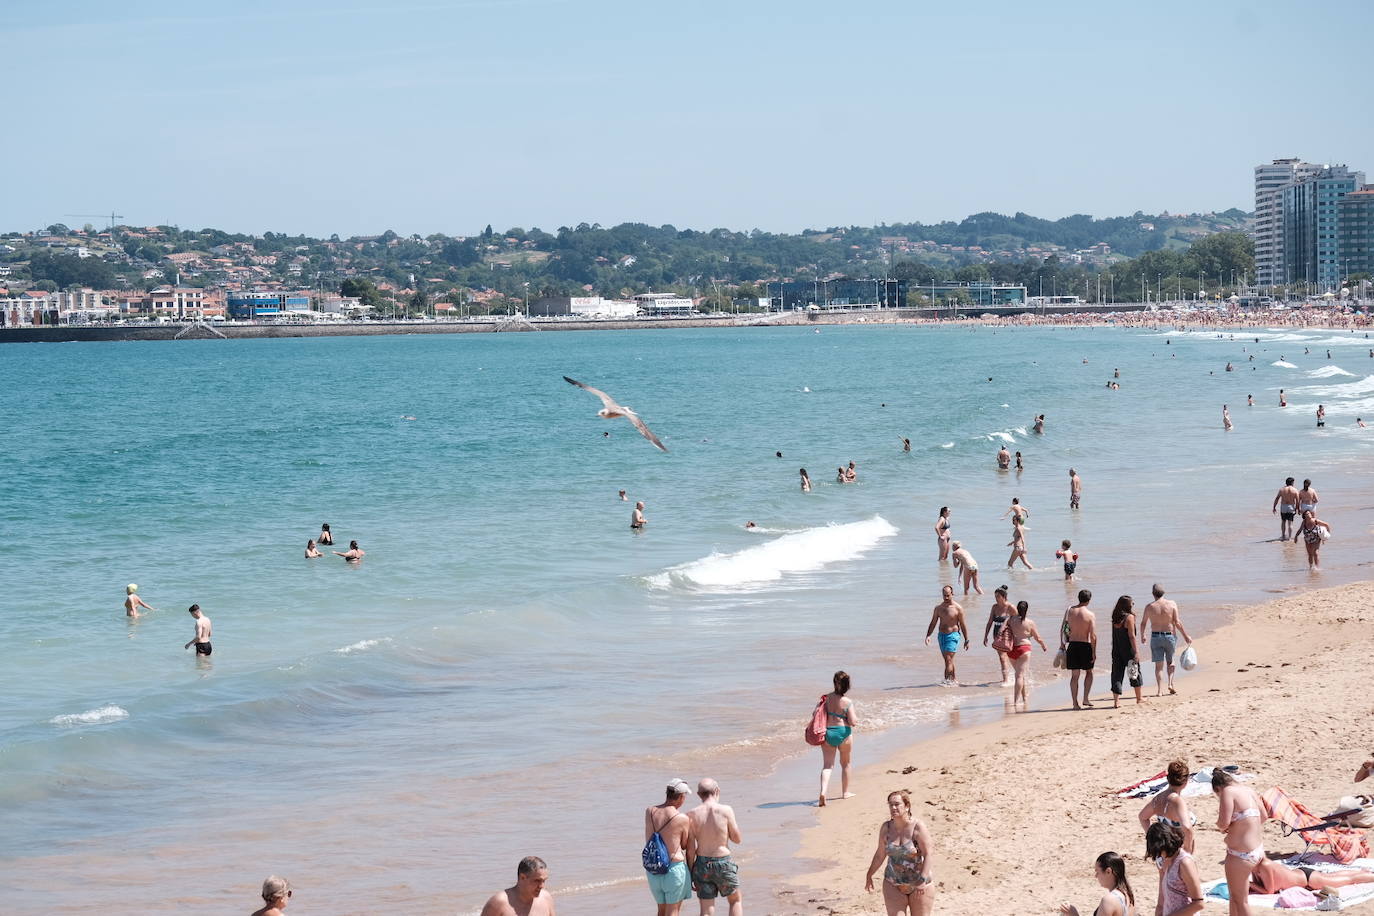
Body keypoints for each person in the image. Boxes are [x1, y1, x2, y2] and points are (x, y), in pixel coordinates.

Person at [864, 790, 934, 916]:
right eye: (890, 805)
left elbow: (928, 854)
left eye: (897, 804)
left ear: (907, 806)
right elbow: (880, 854)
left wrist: (922, 880)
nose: (893, 807)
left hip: (919, 883)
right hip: (893, 883)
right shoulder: (886, 828)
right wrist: (869, 874)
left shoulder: (918, 827)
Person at [1213, 768, 1267, 916]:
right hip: (1257, 850)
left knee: (1240, 900)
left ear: (1218, 788)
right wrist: (1243, 825)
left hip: (1241, 855)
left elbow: (1223, 822)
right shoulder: (1249, 790)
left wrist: (1225, 827)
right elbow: (1263, 816)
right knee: (1235, 898)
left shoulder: (1227, 792)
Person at [687, 779, 742, 916]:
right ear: (717, 791)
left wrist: (690, 872)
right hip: (723, 862)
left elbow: (691, 849)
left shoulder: (691, 814)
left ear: (699, 794)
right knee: (735, 900)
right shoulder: (726, 810)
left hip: (702, 864)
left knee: (706, 909)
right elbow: (737, 839)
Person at [645, 779, 694, 915]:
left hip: (653, 870)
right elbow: (685, 846)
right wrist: (692, 875)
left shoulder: (649, 812)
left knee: (661, 910)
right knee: (673, 911)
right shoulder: (682, 818)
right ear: (681, 797)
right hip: (673, 869)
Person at [1139, 585, 1192, 696]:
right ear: (1163, 593)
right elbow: (1177, 622)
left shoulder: (1149, 607)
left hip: (1155, 637)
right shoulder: (1172, 604)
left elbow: (1143, 623)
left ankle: (1159, 690)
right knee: (1171, 661)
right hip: (1169, 636)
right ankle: (1170, 684)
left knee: (1158, 666)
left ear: (1153, 593)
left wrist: (1143, 635)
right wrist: (1186, 636)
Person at [1145, 822, 1203, 916]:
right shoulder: (1166, 862)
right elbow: (1162, 899)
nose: (1160, 855)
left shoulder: (1185, 863)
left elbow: (1199, 903)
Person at [1137, 761, 1196, 853]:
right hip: (1177, 851)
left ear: (1168, 779)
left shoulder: (1158, 798)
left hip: (1164, 851)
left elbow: (1142, 817)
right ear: (1185, 781)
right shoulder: (1177, 802)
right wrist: (1187, 850)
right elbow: (1187, 828)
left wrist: (1153, 838)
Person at [818, 671, 856, 807]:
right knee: (845, 763)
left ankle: (823, 792)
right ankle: (845, 793)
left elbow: (815, 714)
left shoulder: (825, 698)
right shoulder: (847, 702)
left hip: (828, 733)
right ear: (847, 685)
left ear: (834, 683)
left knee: (827, 765)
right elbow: (853, 721)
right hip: (844, 733)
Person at [1056, 851, 1135, 916]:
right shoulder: (1128, 895)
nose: (1096, 876)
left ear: (1108, 871)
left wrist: (1074, 914)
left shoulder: (1109, 900)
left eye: (1097, 872)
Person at [1251, 856, 1374, 895]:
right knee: (1333, 875)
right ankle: (1364, 872)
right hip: (1303, 874)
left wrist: (1250, 884)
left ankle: (1369, 875)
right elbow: (1259, 885)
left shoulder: (1264, 865)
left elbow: (1269, 891)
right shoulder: (1254, 866)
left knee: (1350, 880)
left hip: (1309, 880)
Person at [1005, 600, 1048, 706]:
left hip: (1011, 650)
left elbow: (1006, 633)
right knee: (1019, 675)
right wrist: (1043, 645)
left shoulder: (1010, 620)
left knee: (1020, 674)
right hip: (1024, 648)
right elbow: (1037, 637)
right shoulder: (1030, 622)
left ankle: (1024, 699)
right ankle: (1015, 702)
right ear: (1027, 610)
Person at [480, 857, 555, 916]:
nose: (542, 886)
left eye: (544, 881)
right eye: (537, 881)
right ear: (522, 877)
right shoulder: (499, 903)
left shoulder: (546, 898)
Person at [925, 585, 969, 685]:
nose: (946, 598)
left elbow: (962, 624)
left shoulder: (958, 608)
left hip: (953, 635)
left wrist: (967, 640)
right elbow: (933, 623)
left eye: (948, 595)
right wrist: (928, 636)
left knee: (948, 659)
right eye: (944, 595)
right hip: (941, 636)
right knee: (948, 660)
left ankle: (946, 682)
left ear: (952, 594)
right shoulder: (938, 608)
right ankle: (953, 680)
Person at [1061, 590, 1096, 710]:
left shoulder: (1069, 610)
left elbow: (1063, 629)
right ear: (1089, 600)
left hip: (1073, 645)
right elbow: (1093, 636)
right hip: (1085, 646)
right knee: (1089, 672)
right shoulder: (1090, 614)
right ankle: (1085, 698)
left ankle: (1075, 703)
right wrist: (1094, 652)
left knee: (1074, 676)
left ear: (1079, 598)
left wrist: (1062, 644)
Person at [1108, 596, 1143, 708]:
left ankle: (1116, 701)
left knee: (1117, 674)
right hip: (1128, 650)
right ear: (1127, 605)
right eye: (1132, 603)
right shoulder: (1129, 618)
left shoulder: (1115, 618)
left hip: (1116, 650)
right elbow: (1131, 636)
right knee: (1134, 673)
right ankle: (1139, 698)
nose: (1133, 604)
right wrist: (1136, 652)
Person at [983, 585, 1016, 686]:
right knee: (1002, 657)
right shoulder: (994, 607)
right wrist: (985, 636)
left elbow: (1018, 621)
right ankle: (1006, 679)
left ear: (1004, 596)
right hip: (997, 634)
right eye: (995, 596)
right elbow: (989, 622)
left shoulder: (1010, 607)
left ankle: (1016, 675)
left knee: (1011, 656)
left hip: (1009, 634)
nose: (996, 598)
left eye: (998, 596)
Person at [1271, 477, 1300, 542]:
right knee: (1290, 523)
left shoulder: (1282, 490)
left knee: (1283, 522)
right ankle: (1289, 538)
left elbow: (1277, 498)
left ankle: (1283, 536)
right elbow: (1298, 501)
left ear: (1286, 482)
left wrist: (1274, 507)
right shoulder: (1295, 490)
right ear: (1292, 483)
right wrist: (1298, 509)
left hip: (1283, 507)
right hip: (1291, 507)